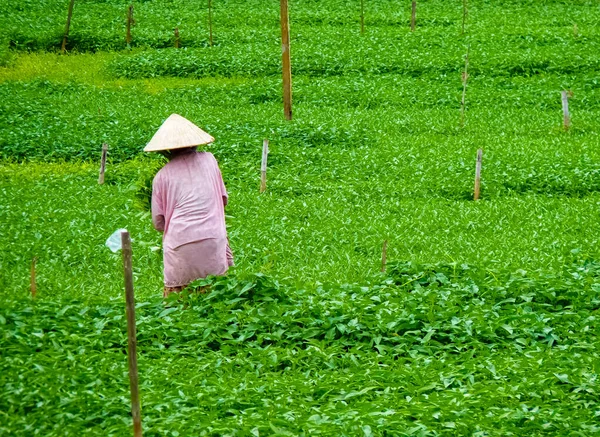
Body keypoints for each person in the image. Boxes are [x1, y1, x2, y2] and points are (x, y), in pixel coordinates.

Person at [144, 114, 233, 297]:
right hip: (213, 239)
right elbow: (223, 199)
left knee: (180, 303)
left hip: (179, 244)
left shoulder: (161, 176)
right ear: (195, 143)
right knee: (216, 296)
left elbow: (158, 222)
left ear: (167, 150)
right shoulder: (210, 160)